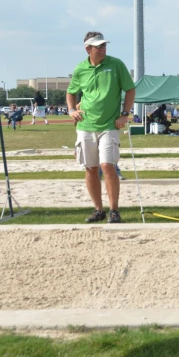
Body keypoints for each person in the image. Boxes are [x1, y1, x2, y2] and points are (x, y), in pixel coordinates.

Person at [66, 31, 135, 224]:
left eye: (104, 45)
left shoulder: (116, 65)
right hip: (86, 126)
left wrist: (125, 114)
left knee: (108, 166)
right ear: (88, 49)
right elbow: (71, 92)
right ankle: (98, 210)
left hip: (109, 125)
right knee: (90, 168)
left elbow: (130, 89)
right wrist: (72, 110)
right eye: (98, 46)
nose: (103, 49)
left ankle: (114, 210)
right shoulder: (80, 69)